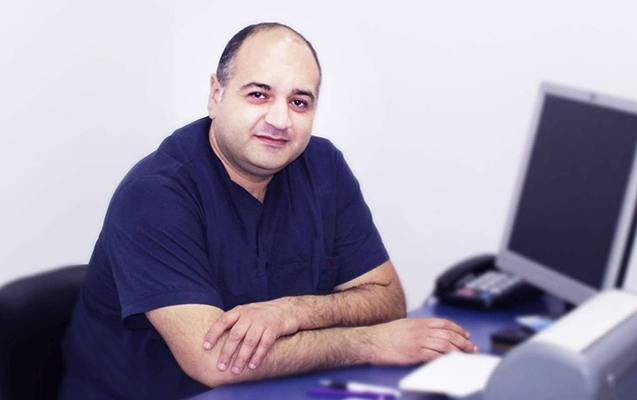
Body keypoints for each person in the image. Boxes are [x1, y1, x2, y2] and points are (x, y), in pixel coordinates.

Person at [58, 22, 477, 400]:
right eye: (259, 94)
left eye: (299, 102)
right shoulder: (155, 195)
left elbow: (387, 298)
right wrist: (370, 342)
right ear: (216, 95)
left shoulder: (323, 167)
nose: (280, 119)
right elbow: (216, 361)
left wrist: (290, 312)